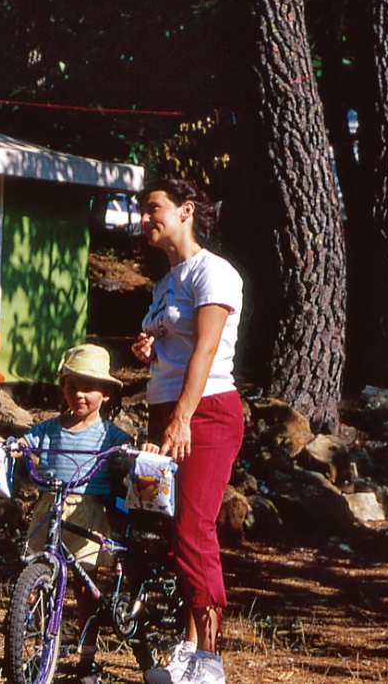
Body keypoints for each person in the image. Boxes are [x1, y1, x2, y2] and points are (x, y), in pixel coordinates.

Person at [132, 179, 243, 684]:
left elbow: (207, 349)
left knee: (195, 529)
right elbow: (175, 347)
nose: (145, 218)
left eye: (153, 208)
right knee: (173, 532)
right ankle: (189, 644)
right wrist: (149, 349)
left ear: (186, 211)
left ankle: (210, 658)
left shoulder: (212, 271)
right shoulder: (165, 282)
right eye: (142, 210)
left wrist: (182, 418)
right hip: (166, 410)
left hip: (206, 411)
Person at [0, 344, 131, 684]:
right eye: (71, 386)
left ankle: (87, 656)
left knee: (84, 587)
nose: (78, 394)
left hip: (86, 512)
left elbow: (129, 452)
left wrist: (140, 450)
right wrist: (4, 442)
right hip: (49, 508)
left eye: (88, 387)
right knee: (37, 579)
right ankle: (37, 648)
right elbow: (23, 445)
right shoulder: (49, 428)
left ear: (106, 393)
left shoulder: (110, 434)